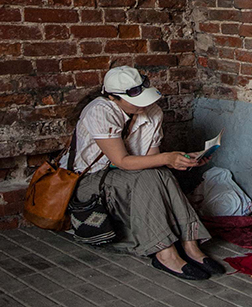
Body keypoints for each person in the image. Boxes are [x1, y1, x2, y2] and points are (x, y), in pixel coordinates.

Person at [65, 65, 224, 281]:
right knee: (149, 176)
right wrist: (167, 158)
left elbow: (152, 160)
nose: (143, 104)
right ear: (113, 98)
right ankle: (165, 253)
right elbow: (122, 161)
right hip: (91, 182)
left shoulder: (153, 112)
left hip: (128, 179)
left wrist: (183, 160)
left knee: (162, 174)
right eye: (135, 101)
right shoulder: (100, 111)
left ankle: (191, 245)